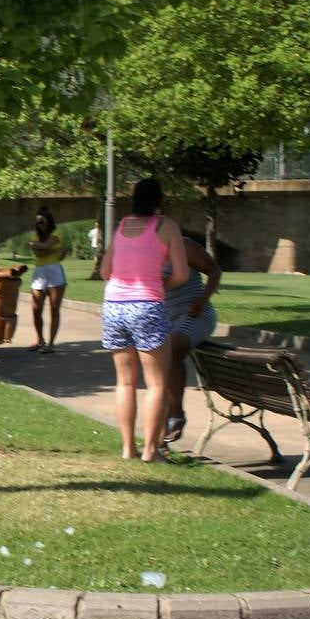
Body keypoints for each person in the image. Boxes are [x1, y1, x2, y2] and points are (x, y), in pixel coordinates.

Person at [99, 178, 189, 462]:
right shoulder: (168, 227)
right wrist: (160, 285)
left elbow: (105, 271)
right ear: (159, 200)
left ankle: (127, 448)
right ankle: (150, 450)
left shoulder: (122, 225)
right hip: (147, 305)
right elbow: (182, 275)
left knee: (125, 382)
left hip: (113, 306)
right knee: (157, 383)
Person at [161, 237, 222, 444]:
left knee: (172, 348)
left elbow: (214, 271)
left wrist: (203, 299)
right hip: (164, 318)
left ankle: (175, 414)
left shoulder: (183, 245)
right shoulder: (141, 251)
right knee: (157, 360)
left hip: (195, 314)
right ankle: (160, 428)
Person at [26, 205, 67, 352]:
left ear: (49, 221)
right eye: (37, 222)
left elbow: (44, 246)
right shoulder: (35, 235)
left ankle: (50, 344)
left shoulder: (58, 232)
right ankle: (39, 340)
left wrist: (39, 246)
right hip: (39, 272)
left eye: (42, 222)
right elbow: (39, 253)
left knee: (54, 309)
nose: (40, 225)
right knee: (36, 309)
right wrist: (55, 249)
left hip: (54, 271)